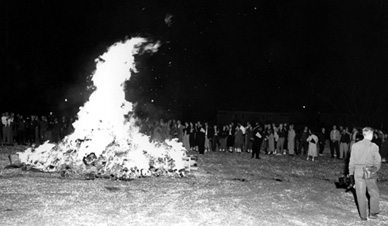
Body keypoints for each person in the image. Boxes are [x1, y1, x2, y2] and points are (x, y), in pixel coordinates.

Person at [349, 127, 381, 221]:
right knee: (373, 192)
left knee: (360, 193)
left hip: (358, 170)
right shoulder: (374, 146)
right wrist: (374, 169)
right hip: (369, 169)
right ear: (370, 135)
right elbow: (378, 161)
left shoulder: (355, 145)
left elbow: (351, 162)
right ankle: (373, 213)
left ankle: (363, 216)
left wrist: (351, 173)